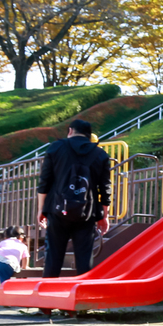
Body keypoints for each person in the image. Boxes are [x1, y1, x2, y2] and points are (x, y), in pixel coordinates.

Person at [36, 119, 111, 277]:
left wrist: (41, 209)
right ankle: (83, 296)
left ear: (70, 131)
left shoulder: (55, 148)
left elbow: (44, 182)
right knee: (84, 258)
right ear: (89, 136)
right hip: (87, 212)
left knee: (53, 257)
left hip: (57, 210)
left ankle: (48, 295)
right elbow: (105, 189)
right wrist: (104, 215)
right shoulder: (101, 155)